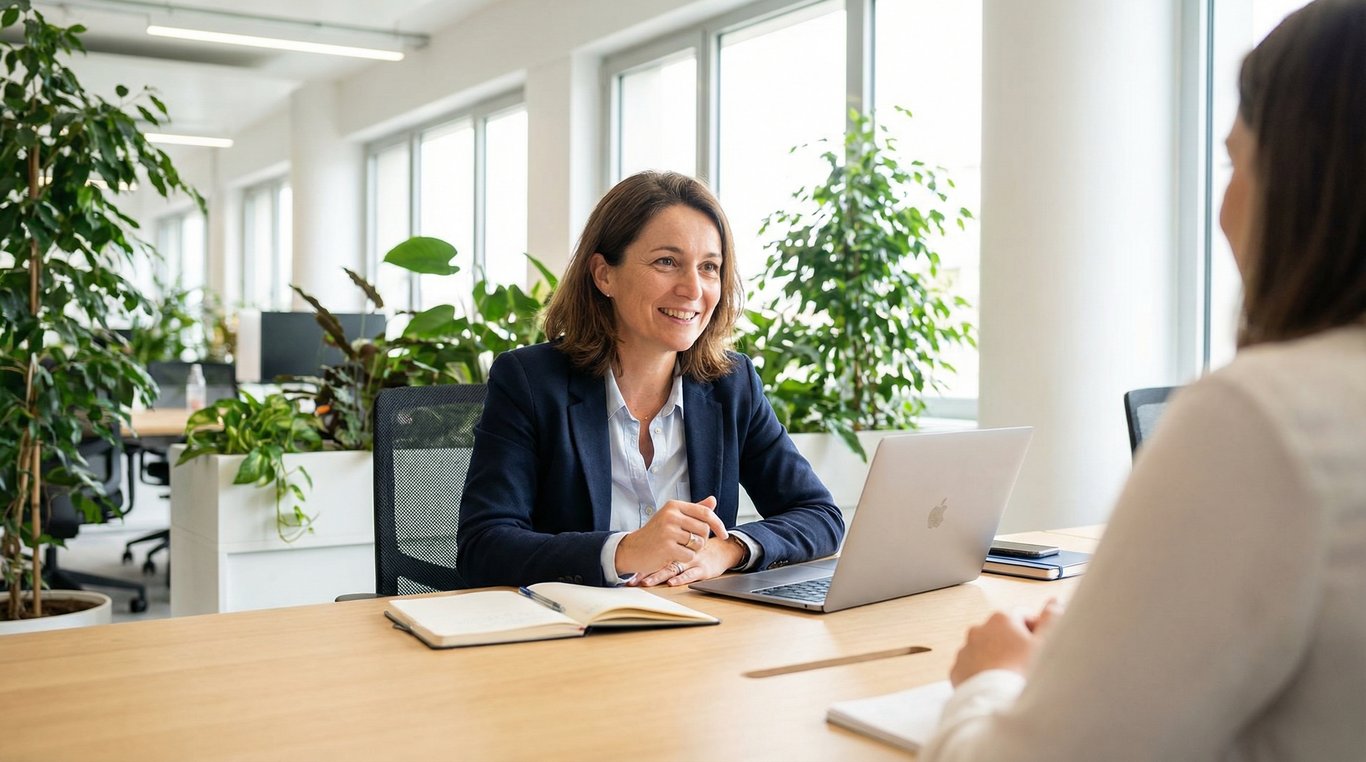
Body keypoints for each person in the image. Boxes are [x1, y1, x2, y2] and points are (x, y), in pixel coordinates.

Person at [921, 1, 1366, 758]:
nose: (1224, 208)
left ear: (1305, 180)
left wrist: (992, 679)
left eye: (1235, 163)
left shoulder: (1263, 417)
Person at [457, 171, 845, 589]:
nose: (693, 289)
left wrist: (727, 549)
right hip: (573, 623)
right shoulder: (530, 382)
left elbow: (820, 515)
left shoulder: (732, 386)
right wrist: (624, 550)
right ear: (604, 275)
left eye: (709, 267)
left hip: (697, 619)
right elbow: (484, 546)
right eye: (667, 262)